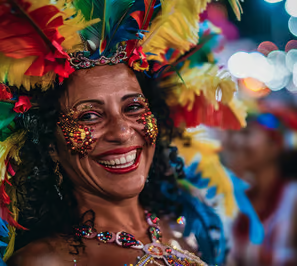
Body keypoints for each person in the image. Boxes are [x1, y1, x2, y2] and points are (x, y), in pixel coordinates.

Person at [0, 0, 244, 265]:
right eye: (89, 116)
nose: (123, 131)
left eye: (133, 107)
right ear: (50, 145)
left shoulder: (192, 231)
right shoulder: (44, 261)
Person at [224, 101, 297, 266]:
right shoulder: (237, 194)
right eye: (235, 134)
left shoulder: (292, 199)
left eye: (246, 133)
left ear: (275, 145)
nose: (236, 142)